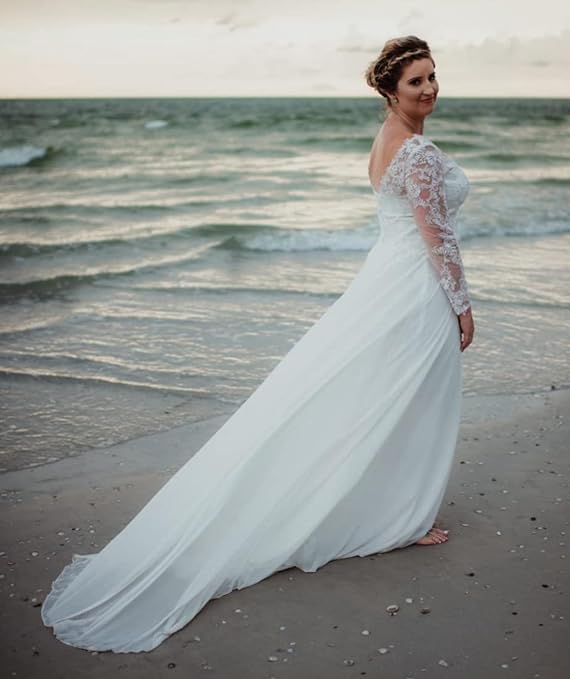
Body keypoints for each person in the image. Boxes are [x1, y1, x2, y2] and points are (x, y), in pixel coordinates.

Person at [40, 35, 475, 653]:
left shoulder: (385, 142)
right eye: (416, 82)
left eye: (434, 77)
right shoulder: (420, 152)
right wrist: (461, 305)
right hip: (414, 290)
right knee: (408, 400)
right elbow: (438, 239)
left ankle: (389, 508)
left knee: (378, 397)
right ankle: (395, 518)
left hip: (387, 281)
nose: (430, 89)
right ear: (389, 88)